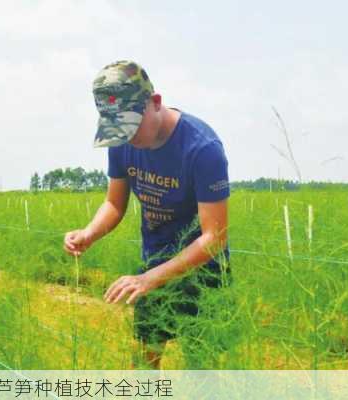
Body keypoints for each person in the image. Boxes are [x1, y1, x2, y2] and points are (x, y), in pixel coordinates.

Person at [63, 60, 231, 368]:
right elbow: (114, 203)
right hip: (151, 266)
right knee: (144, 364)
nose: (128, 138)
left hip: (203, 275)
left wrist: (149, 279)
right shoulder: (122, 142)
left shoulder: (202, 148)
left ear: (155, 103)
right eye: (118, 130)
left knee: (202, 371)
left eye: (131, 127)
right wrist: (89, 233)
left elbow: (214, 237)